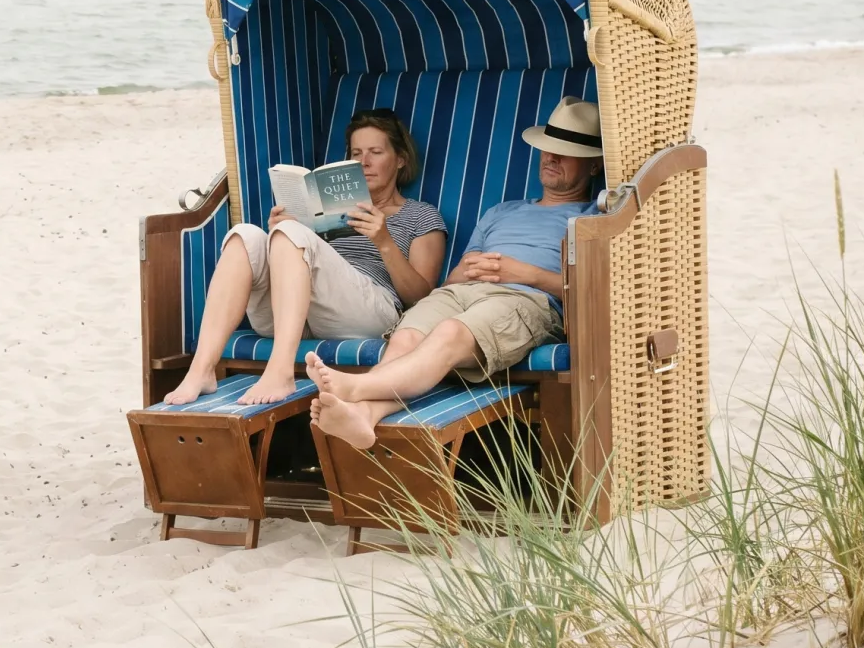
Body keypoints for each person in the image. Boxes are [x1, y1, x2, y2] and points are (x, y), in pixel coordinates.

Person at [308, 96, 605, 449]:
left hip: (525, 300)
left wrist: (525, 273)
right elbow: (449, 283)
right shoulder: (501, 211)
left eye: (565, 152)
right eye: (547, 149)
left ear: (593, 167)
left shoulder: (594, 220)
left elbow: (597, 292)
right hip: (461, 293)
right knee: (407, 337)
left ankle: (356, 388)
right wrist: (463, 272)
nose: (551, 158)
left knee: (449, 332)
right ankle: (364, 414)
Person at [164, 109, 447, 407]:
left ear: (400, 159)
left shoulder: (420, 215)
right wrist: (280, 233)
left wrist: (384, 241)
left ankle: (280, 371)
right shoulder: (322, 212)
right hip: (297, 312)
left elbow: (421, 297)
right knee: (243, 236)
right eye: (356, 153)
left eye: (375, 152)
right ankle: (202, 370)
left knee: (290, 234)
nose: (364, 162)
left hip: (368, 312)